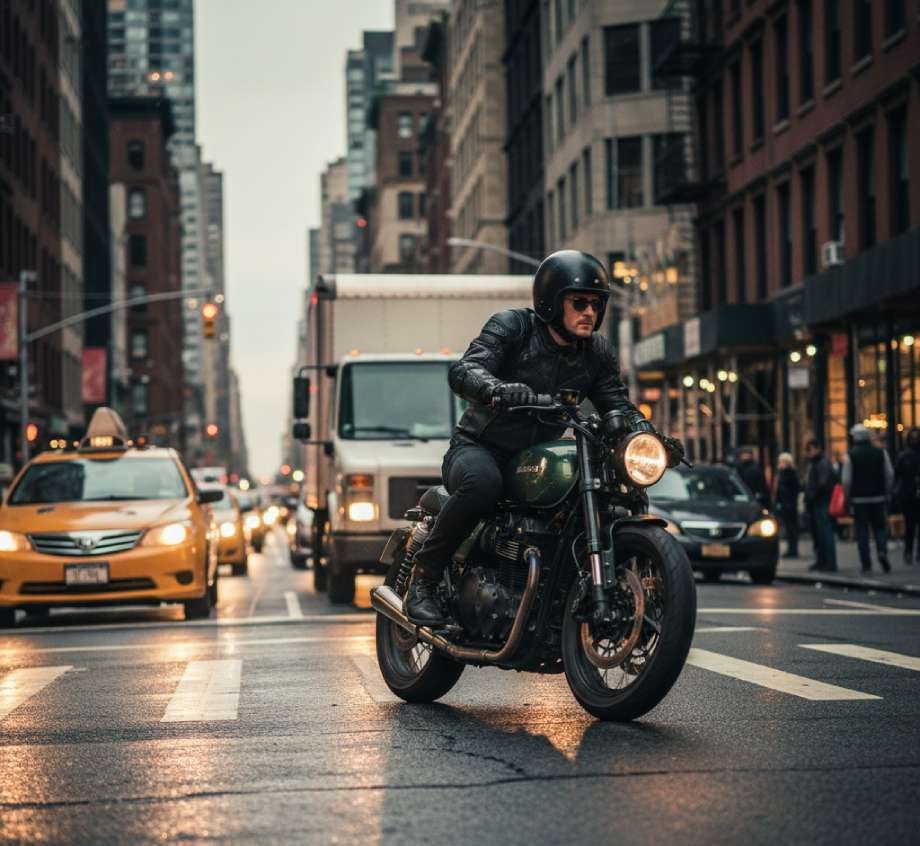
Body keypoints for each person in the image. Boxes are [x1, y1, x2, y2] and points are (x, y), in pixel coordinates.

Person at [404, 250, 686, 625]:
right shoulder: (513, 327)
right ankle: (423, 581)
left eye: (597, 304)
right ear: (552, 301)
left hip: (537, 456)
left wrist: (646, 433)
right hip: (480, 448)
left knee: (611, 493)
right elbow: (466, 369)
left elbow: (617, 404)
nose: (590, 312)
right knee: (482, 484)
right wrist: (495, 388)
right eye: (579, 303)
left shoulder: (596, 352)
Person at [843, 424, 894, 573]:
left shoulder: (851, 455)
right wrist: (887, 492)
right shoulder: (880, 452)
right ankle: (882, 551)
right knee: (880, 528)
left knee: (862, 530)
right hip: (878, 497)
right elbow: (889, 475)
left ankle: (866, 563)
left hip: (859, 500)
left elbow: (846, 480)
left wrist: (847, 498)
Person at [804, 438, 837, 572]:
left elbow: (823, 484)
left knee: (825, 533)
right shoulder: (816, 463)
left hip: (822, 502)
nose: (809, 453)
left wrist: (812, 495)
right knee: (819, 534)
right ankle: (822, 561)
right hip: (817, 502)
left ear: (817, 448)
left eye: (810, 450)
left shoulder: (822, 463)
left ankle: (828, 562)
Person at [894, 428, 920, 566]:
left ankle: (911, 552)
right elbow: (897, 475)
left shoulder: (903, 456)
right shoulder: (904, 456)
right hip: (908, 494)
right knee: (910, 525)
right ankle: (909, 551)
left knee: (911, 525)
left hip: (909, 493)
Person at [775, 452, 800, 558]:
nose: (781, 463)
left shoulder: (790, 473)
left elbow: (794, 489)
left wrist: (789, 502)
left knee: (791, 528)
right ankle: (791, 549)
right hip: (784, 503)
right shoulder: (782, 473)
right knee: (788, 527)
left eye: (783, 461)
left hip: (789, 504)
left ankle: (793, 549)